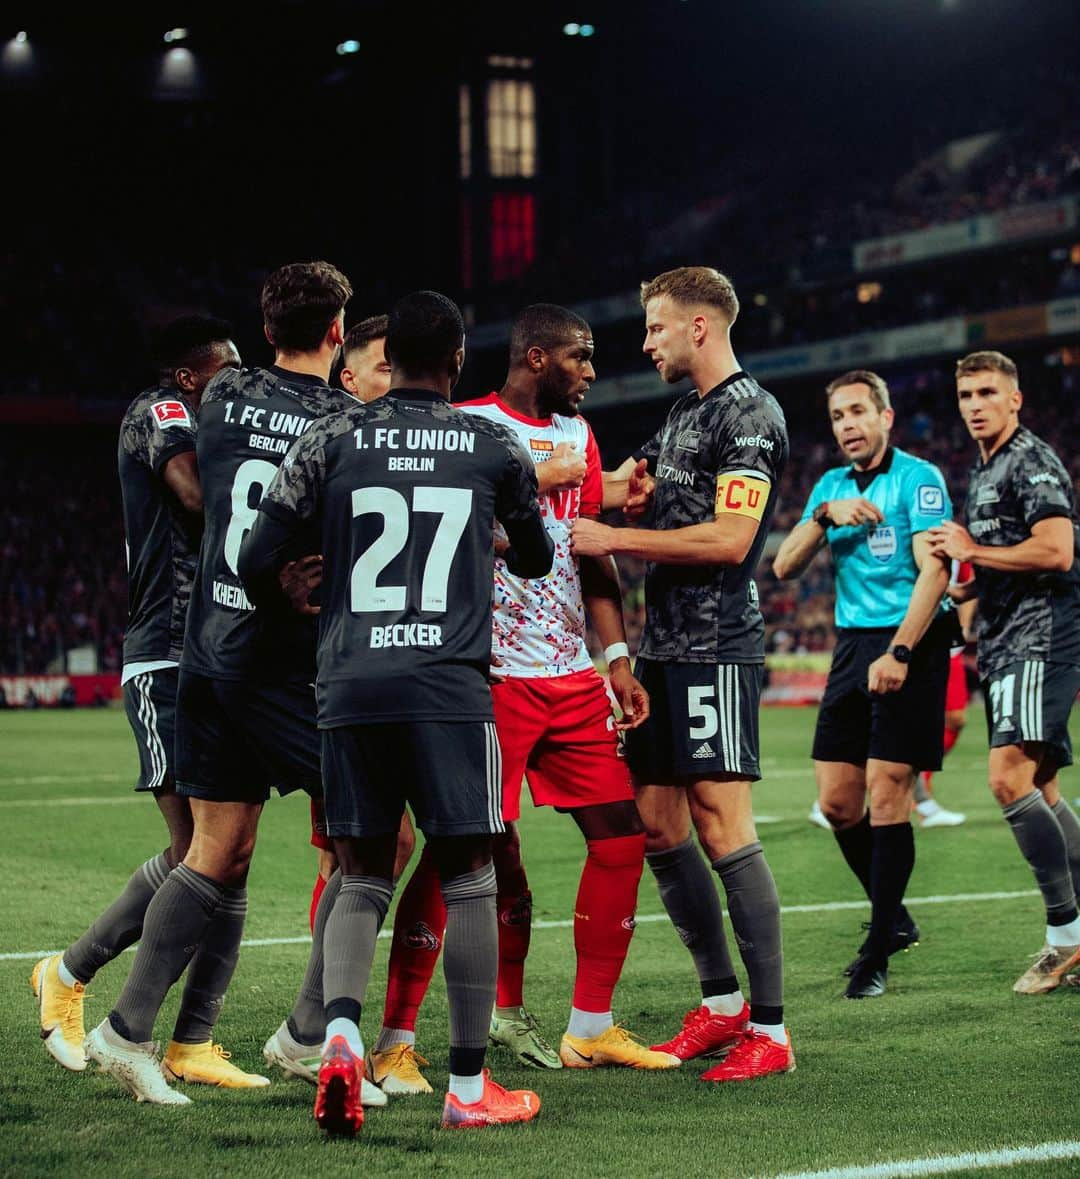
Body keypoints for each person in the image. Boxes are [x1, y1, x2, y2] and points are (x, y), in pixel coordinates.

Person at [239, 290, 553, 1135]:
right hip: (447, 690)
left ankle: (338, 1035)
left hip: (348, 685)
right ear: (456, 360)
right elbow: (535, 553)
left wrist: (302, 580)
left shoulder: (334, 435)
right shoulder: (492, 444)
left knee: (362, 870)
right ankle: (467, 1085)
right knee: (470, 876)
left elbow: (255, 551)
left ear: (391, 357)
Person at [363, 303, 674, 1097]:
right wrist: (537, 481)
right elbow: (439, 524)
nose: (593, 371)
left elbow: (590, 552)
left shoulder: (581, 436)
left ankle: (590, 1026)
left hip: (570, 673)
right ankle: (396, 1040)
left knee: (620, 836)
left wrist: (615, 656)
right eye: (582, 356)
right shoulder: (464, 423)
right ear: (536, 356)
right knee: (457, 851)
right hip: (488, 671)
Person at [82, 261, 358, 1105]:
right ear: (339, 333)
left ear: (267, 329)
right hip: (278, 665)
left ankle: (124, 1032)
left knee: (216, 848)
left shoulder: (224, 391)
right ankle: (310, 1033)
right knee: (376, 837)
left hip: (205, 648)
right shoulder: (342, 419)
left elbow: (207, 494)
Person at [572, 265, 793, 1081]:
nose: (646, 342)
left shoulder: (751, 414)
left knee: (723, 825)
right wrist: (620, 495)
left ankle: (770, 1029)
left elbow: (734, 538)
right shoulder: (682, 415)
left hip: (715, 649)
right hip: (663, 652)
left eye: (656, 327)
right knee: (657, 824)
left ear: (699, 326)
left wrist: (612, 538)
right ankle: (723, 1004)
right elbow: (640, 492)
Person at [31, 316, 244, 1080]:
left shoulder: (209, 421)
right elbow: (191, 494)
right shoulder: (159, 413)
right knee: (201, 852)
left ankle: (191, 1044)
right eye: (229, 369)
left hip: (217, 654)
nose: (240, 380)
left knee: (230, 853)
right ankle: (68, 975)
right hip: (166, 656)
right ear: (190, 377)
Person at [773, 369, 953, 998]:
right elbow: (785, 564)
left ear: (885, 417)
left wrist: (902, 650)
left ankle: (877, 951)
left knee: (887, 792)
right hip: (853, 648)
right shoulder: (830, 486)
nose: (848, 425)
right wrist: (825, 514)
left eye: (857, 412)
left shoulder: (920, 480)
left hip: (913, 641)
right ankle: (894, 916)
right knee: (838, 803)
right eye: (838, 417)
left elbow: (936, 572)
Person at [928, 349, 1080, 994]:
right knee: (1041, 785)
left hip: (1038, 638)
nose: (975, 406)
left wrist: (971, 550)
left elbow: (1057, 550)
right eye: (966, 395)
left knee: (1006, 778)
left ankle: (1064, 937)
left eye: (987, 393)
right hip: (1007, 638)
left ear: (1014, 399)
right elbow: (1001, 564)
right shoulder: (983, 469)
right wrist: (962, 594)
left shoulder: (1032, 460)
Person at [306, 312, 412, 931]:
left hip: (391, 668)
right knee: (361, 850)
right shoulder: (337, 446)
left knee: (374, 848)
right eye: (384, 367)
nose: (399, 378)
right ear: (348, 378)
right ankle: (314, 1017)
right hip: (339, 674)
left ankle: (318, 1015)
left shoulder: (391, 442)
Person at [913, 559, 975, 828]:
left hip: (945, 639)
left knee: (955, 718)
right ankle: (828, 801)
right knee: (895, 722)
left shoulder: (953, 539)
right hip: (906, 637)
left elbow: (967, 582)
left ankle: (922, 786)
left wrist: (963, 626)